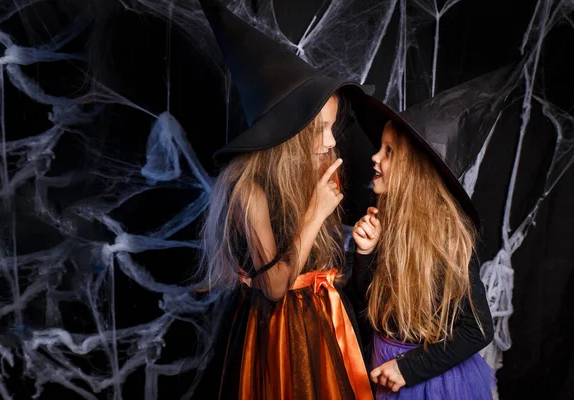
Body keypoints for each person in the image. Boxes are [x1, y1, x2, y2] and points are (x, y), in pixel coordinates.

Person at [193, 0, 376, 398]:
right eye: (320, 130)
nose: (330, 141)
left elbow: (321, 261)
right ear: (288, 135)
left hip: (319, 325)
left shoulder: (311, 171)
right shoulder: (248, 189)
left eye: (332, 127)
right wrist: (314, 215)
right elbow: (274, 287)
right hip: (274, 335)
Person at [351, 120, 496, 399]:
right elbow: (367, 306)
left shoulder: (445, 239)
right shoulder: (385, 219)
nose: (375, 157)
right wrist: (365, 253)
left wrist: (408, 368)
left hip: (428, 380)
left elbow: (477, 329)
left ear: (414, 170)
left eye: (389, 151)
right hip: (381, 362)